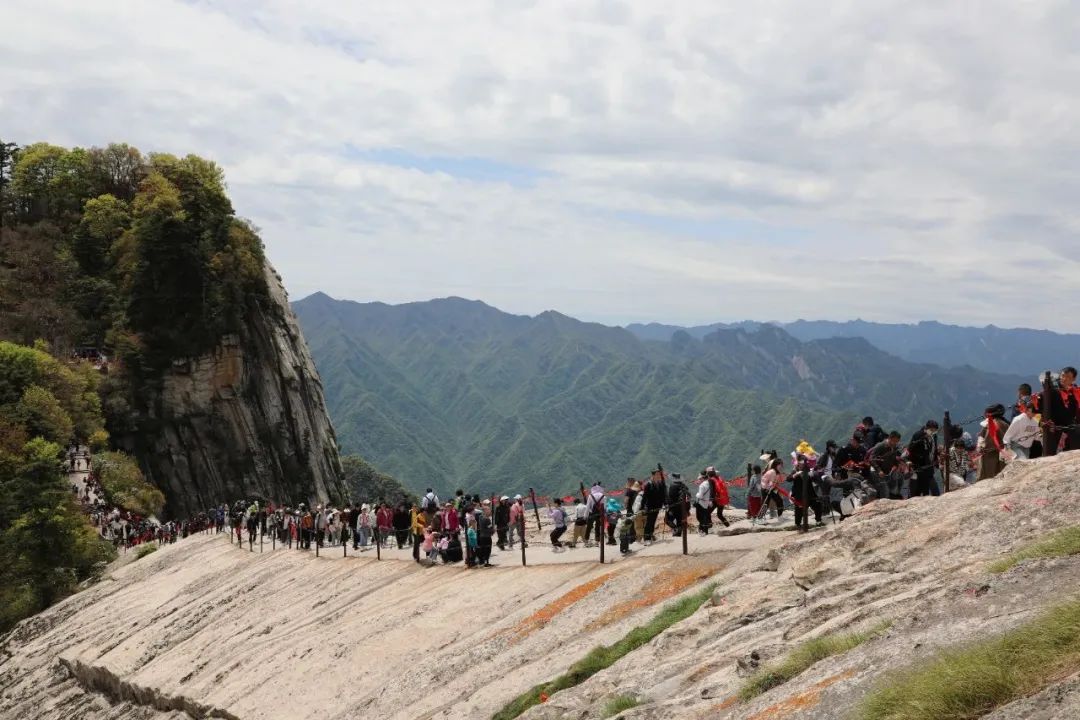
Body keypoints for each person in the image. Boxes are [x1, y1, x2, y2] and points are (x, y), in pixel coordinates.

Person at [907, 420, 940, 497]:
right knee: (917, 488)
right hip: (919, 465)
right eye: (932, 430)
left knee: (926, 488)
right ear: (926, 428)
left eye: (935, 430)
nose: (933, 432)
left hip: (929, 465)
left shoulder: (934, 436)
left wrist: (936, 460)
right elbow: (910, 449)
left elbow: (934, 449)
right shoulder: (918, 435)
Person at [788, 455, 821, 532]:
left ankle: (818, 520)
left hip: (810, 493)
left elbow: (815, 478)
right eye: (801, 462)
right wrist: (795, 475)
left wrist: (813, 474)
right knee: (799, 510)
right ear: (798, 463)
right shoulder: (794, 471)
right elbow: (788, 479)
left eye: (804, 462)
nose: (802, 464)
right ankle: (798, 525)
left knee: (817, 505)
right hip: (799, 494)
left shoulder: (808, 470)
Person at [977, 404, 1010, 481]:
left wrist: (981, 449)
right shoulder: (1005, 423)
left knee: (991, 476)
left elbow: (988, 442)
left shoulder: (992, 424)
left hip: (992, 456)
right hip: (1004, 453)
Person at [869, 431, 903, 499]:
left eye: (897, 441)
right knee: (885, 491)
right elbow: (871, 459)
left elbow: (894, 458)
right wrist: (879, 470)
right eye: (894, 441)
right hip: (876, 472)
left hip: (887, 472)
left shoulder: (894, 447)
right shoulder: (881, 445)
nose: (895, 443)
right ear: (889, 438)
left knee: (893, 487)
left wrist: (897, 465)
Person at [642, 468, 666, 542]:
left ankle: (651, 535)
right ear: (653, 475)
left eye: (659, 474)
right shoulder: (648, 484)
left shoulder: (659, 484)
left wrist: (664, 504)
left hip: (657, 506)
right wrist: (642, 507)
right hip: (650, 506)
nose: (659, 475)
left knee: (653, 522)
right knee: (649, 522)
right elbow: (644, 497)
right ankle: (646, 538)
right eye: (657, 474)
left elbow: (662, 495)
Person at [585, 482, 605, 546]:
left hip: (591, 513)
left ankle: (586, 541)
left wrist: (585, 516)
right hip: (600, 514)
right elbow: (605, 507)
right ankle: (597, 542)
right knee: (598, 527)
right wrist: (604, 515)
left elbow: (587, 506)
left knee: (589, 527)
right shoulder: (603, 496)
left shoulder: (590, 496)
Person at [694, 471, 714, 535]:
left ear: (702, 478)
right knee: (704, 516)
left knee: (699, 517)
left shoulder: (702, 485)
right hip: (707, 502)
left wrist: (696, 494)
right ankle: (705, 530)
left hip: (701, 503)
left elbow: (700, 496)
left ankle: (703, 530)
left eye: (700, 478)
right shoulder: (709, 483)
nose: (699, 479)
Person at [476, 501, 494, 567]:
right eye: (488, 510)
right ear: (485, 511)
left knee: (483, 549)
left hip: (481, 536)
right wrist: (492, 530)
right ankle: (486, 562)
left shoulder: (480, 517)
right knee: (488, 550)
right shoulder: (487, 519)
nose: (490, 511)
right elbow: (490, 528)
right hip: (486, 536)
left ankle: (483, 561)